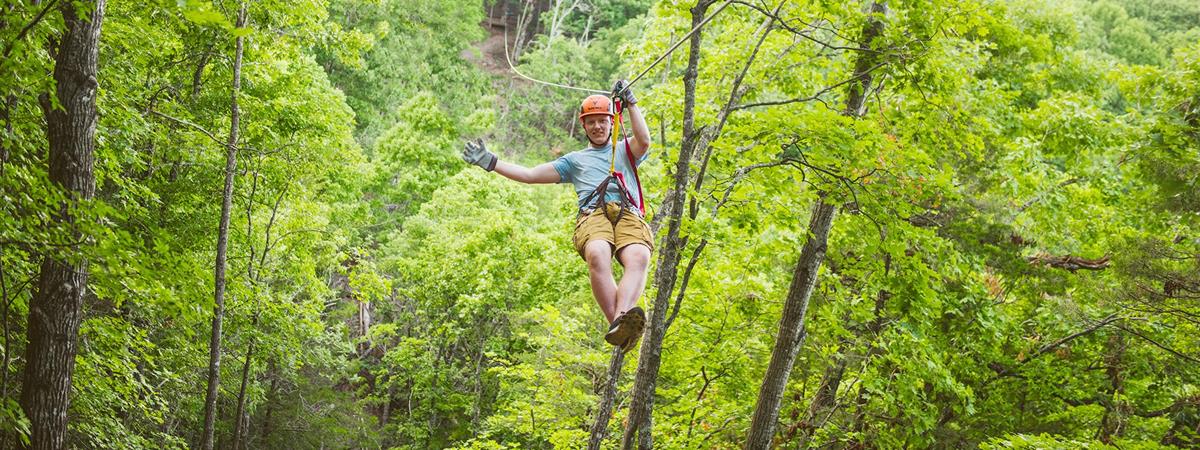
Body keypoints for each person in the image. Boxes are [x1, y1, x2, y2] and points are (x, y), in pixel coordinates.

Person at [461, 80, 652, 350]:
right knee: (597, 251)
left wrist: (631, 103)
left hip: (628, 212)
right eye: (591, 122)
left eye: (602, 121)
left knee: (639, 255)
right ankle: (619, 323)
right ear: (584, 127)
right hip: (593, 214)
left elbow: (644, 140)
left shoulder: (625, 150)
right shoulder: (574, 161)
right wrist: (491, 162)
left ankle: (620, 324)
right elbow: (530, 175)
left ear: (611, 123)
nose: (597, 126)